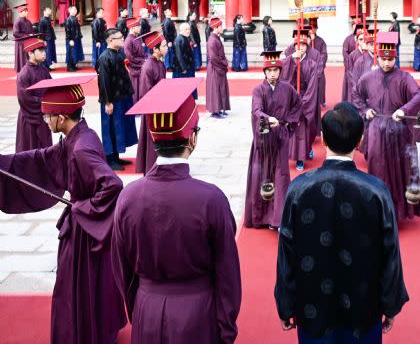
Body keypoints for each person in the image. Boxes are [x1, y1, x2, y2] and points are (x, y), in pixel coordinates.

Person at [0, 75, 127, 344]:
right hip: (84, 224)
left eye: (48, 116)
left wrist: (83, 208)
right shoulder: (78, 135)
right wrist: (5, 165)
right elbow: (44, 159)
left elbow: (112, 185)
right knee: (91, 283)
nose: (46, 121)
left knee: (76, 283)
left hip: (86, 230)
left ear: (60, 117)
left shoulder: (82, 149)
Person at [115, 78, 242, 344]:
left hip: (147, 309)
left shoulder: (128, 197)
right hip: (197, 313)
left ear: (152, 136)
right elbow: (228, 274)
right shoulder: (211, 199)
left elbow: (122, 269)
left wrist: (141, 305)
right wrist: (226, 327)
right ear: (192, 138)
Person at [275, 102, 409, 343]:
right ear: (360, 140)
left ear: (323, 139)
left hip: (312, 306)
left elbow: (287, 249)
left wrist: (286, 303)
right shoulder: (376, 190)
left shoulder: (298, 188)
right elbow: (391, 252)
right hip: (364, 307)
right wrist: (390, 304)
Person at [352, 31, 420, 221]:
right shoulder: (368, 78)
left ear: (395, 57)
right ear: (378, 57)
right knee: (378, 169)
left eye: (390, 59)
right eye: (383, 59)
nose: (386, 63)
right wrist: (364, 109)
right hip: (376, 130)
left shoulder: (404, 77)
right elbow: (356, 95)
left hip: (399, 131)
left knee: (399, 169)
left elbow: (419, 96)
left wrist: (404, 109)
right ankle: (378, 211)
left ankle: (398, 211)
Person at [245, 50, 301, 229]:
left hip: (280, 139)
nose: (273, 74)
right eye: (269, 71)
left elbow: (298, 105)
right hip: (264, 140)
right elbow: (256, 111)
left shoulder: (288, 89)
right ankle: (261, 217)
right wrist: (268, 120)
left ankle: (277, 219)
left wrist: (286, 123)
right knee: (262, 175)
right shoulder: (258, 90)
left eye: (276, 70)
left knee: (280, 176)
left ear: (280, 71)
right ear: (264, 72)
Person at [97, 28, 138, 171]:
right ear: (110, 40)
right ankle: (109, 158)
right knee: (111, 129)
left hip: (122, 97)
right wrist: (107, 102)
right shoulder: (104, 57)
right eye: (119, 38)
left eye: (122, 37)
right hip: (111, 100)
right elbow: (103, 82)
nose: (122, 39)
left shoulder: (119, 53)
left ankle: (116, 156)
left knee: (120, 128)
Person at [281, 30, 320, 171]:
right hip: (291, 98)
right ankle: (293, 155)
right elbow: (284, 78)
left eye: (304, 45)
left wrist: (302, 103)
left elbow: (312, 86)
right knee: (291, 129)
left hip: (304, 100)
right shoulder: (289, 60)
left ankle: (301, 157)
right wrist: (291, 60)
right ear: (295, 45)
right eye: (299, 44)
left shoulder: (312, 64)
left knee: (304, 130)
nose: (301, 47)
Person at [134, 30, 168, 174]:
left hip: (161, 107)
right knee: (151, 141)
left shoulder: (159, 63)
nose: (167, 48)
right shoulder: (148, 66)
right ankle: (151, 168)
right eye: (164, 46)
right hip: (153, 110)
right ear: (155, 49)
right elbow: (145, 93)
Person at [16, 35, 52, 152]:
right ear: (30, 53)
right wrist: (44, 102)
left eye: (44, 50)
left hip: (44, 115)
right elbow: (25, 99)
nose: (44, 53)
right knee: (30, 149)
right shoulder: (24, 74)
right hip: (29, 116)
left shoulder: (44, 70)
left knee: (45, 150)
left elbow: (52, 88)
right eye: (40, 50)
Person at [205, 18, 231, 118]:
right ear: (216, 28)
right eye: (220, 26)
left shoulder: (216, 38)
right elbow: (213, 57)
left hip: (217, 66)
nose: (222, 28)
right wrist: (223, 64)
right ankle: (215, 111)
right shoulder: (212, 40)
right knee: (215, 89)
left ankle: (219, 109)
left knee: (220, 89)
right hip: (215, 68)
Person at [123, 17, 147, 100]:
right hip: (135, 70)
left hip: (140, 67)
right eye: (138, 26)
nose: (140, 28)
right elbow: (130, 58)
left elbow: (142, 53)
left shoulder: (136, 38)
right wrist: (143, 61)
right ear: (132, 28)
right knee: (136, 92)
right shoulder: (128, 40)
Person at [173, 22, 198, 98]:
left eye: (189, 29)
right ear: (181, 30)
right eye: (186, 29)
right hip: (182, 69)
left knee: (189, 85)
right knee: (183, 87)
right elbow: (179, 55)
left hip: (188, 66)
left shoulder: (185, 38)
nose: (188, 31)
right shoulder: (179, 39)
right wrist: (183, 68)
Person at [309, 24, 328, 108]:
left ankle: (321, 101)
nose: (312, 30)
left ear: (316, 29)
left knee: (320, 83)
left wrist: (319, 64)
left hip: (318, 66)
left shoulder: (321, 41)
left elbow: (324, 53)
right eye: (310, 28)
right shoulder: (306, 40)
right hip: (308, 66)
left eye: (314, 28)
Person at [13, 4, 33, 72]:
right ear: (20, 12)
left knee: (27, 56)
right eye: (25, 11)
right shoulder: (17, 22)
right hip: (20, 43)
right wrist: (27, 36)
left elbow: (31, 31)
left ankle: (28, 69)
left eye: (27, 11)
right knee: (22, 57)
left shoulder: (28, 21)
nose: (26, 12)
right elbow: (15, 33)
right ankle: (22, 69)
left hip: (28, 42)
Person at [64, 5, 84, 72]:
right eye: (74, 9)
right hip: (72, 39)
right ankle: (70, 67)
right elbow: (67, 30)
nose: (75, 10)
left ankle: (74, 65)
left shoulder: (75, 18)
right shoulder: (68, 20)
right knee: (71, 53)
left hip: (76, 38)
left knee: (76, 52)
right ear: (69, 10)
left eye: (76, 9)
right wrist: (70, 39)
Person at [341, 25, 357, 101]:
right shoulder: (348, 39)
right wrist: (350, 62)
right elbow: (345, 52)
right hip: (350, 64)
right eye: (354, 25)